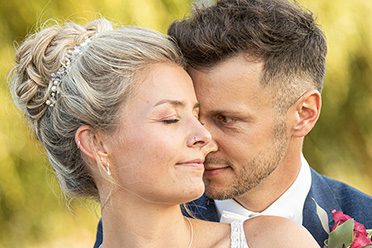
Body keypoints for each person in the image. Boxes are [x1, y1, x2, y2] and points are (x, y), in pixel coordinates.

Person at [10, 18, 320, 247]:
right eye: (170, 119)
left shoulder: (274, 242)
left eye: (196, 115)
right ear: (97, 143)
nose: (204, 137)